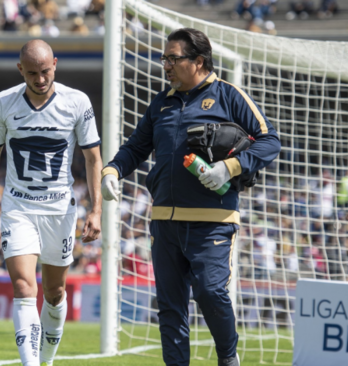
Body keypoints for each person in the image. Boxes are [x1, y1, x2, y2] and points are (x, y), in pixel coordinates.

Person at [101, 28, 281, 366]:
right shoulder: (161, 101)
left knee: (211, 293)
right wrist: (111, 170)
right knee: (169, 307)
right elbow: (136, 147)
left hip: (212, 222)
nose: (165, 65)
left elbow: (270, 140)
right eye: (164, 58)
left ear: (198, 61)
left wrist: (229, 167)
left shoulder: (229, 95)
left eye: (173, 58)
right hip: (164, 222)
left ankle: (228, 357)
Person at [0, 40, 102, 366]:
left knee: (54, 293)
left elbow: (93, 158)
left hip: (59, 210)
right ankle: (30, 364)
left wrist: (96, 209)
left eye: (45, 71)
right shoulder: (3, 102)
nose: (40, 78)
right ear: (21, 70)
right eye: (32, 72)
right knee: (23, 286)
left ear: (55, 65)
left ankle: (45, 360)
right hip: (18, 207)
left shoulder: (77, 102)